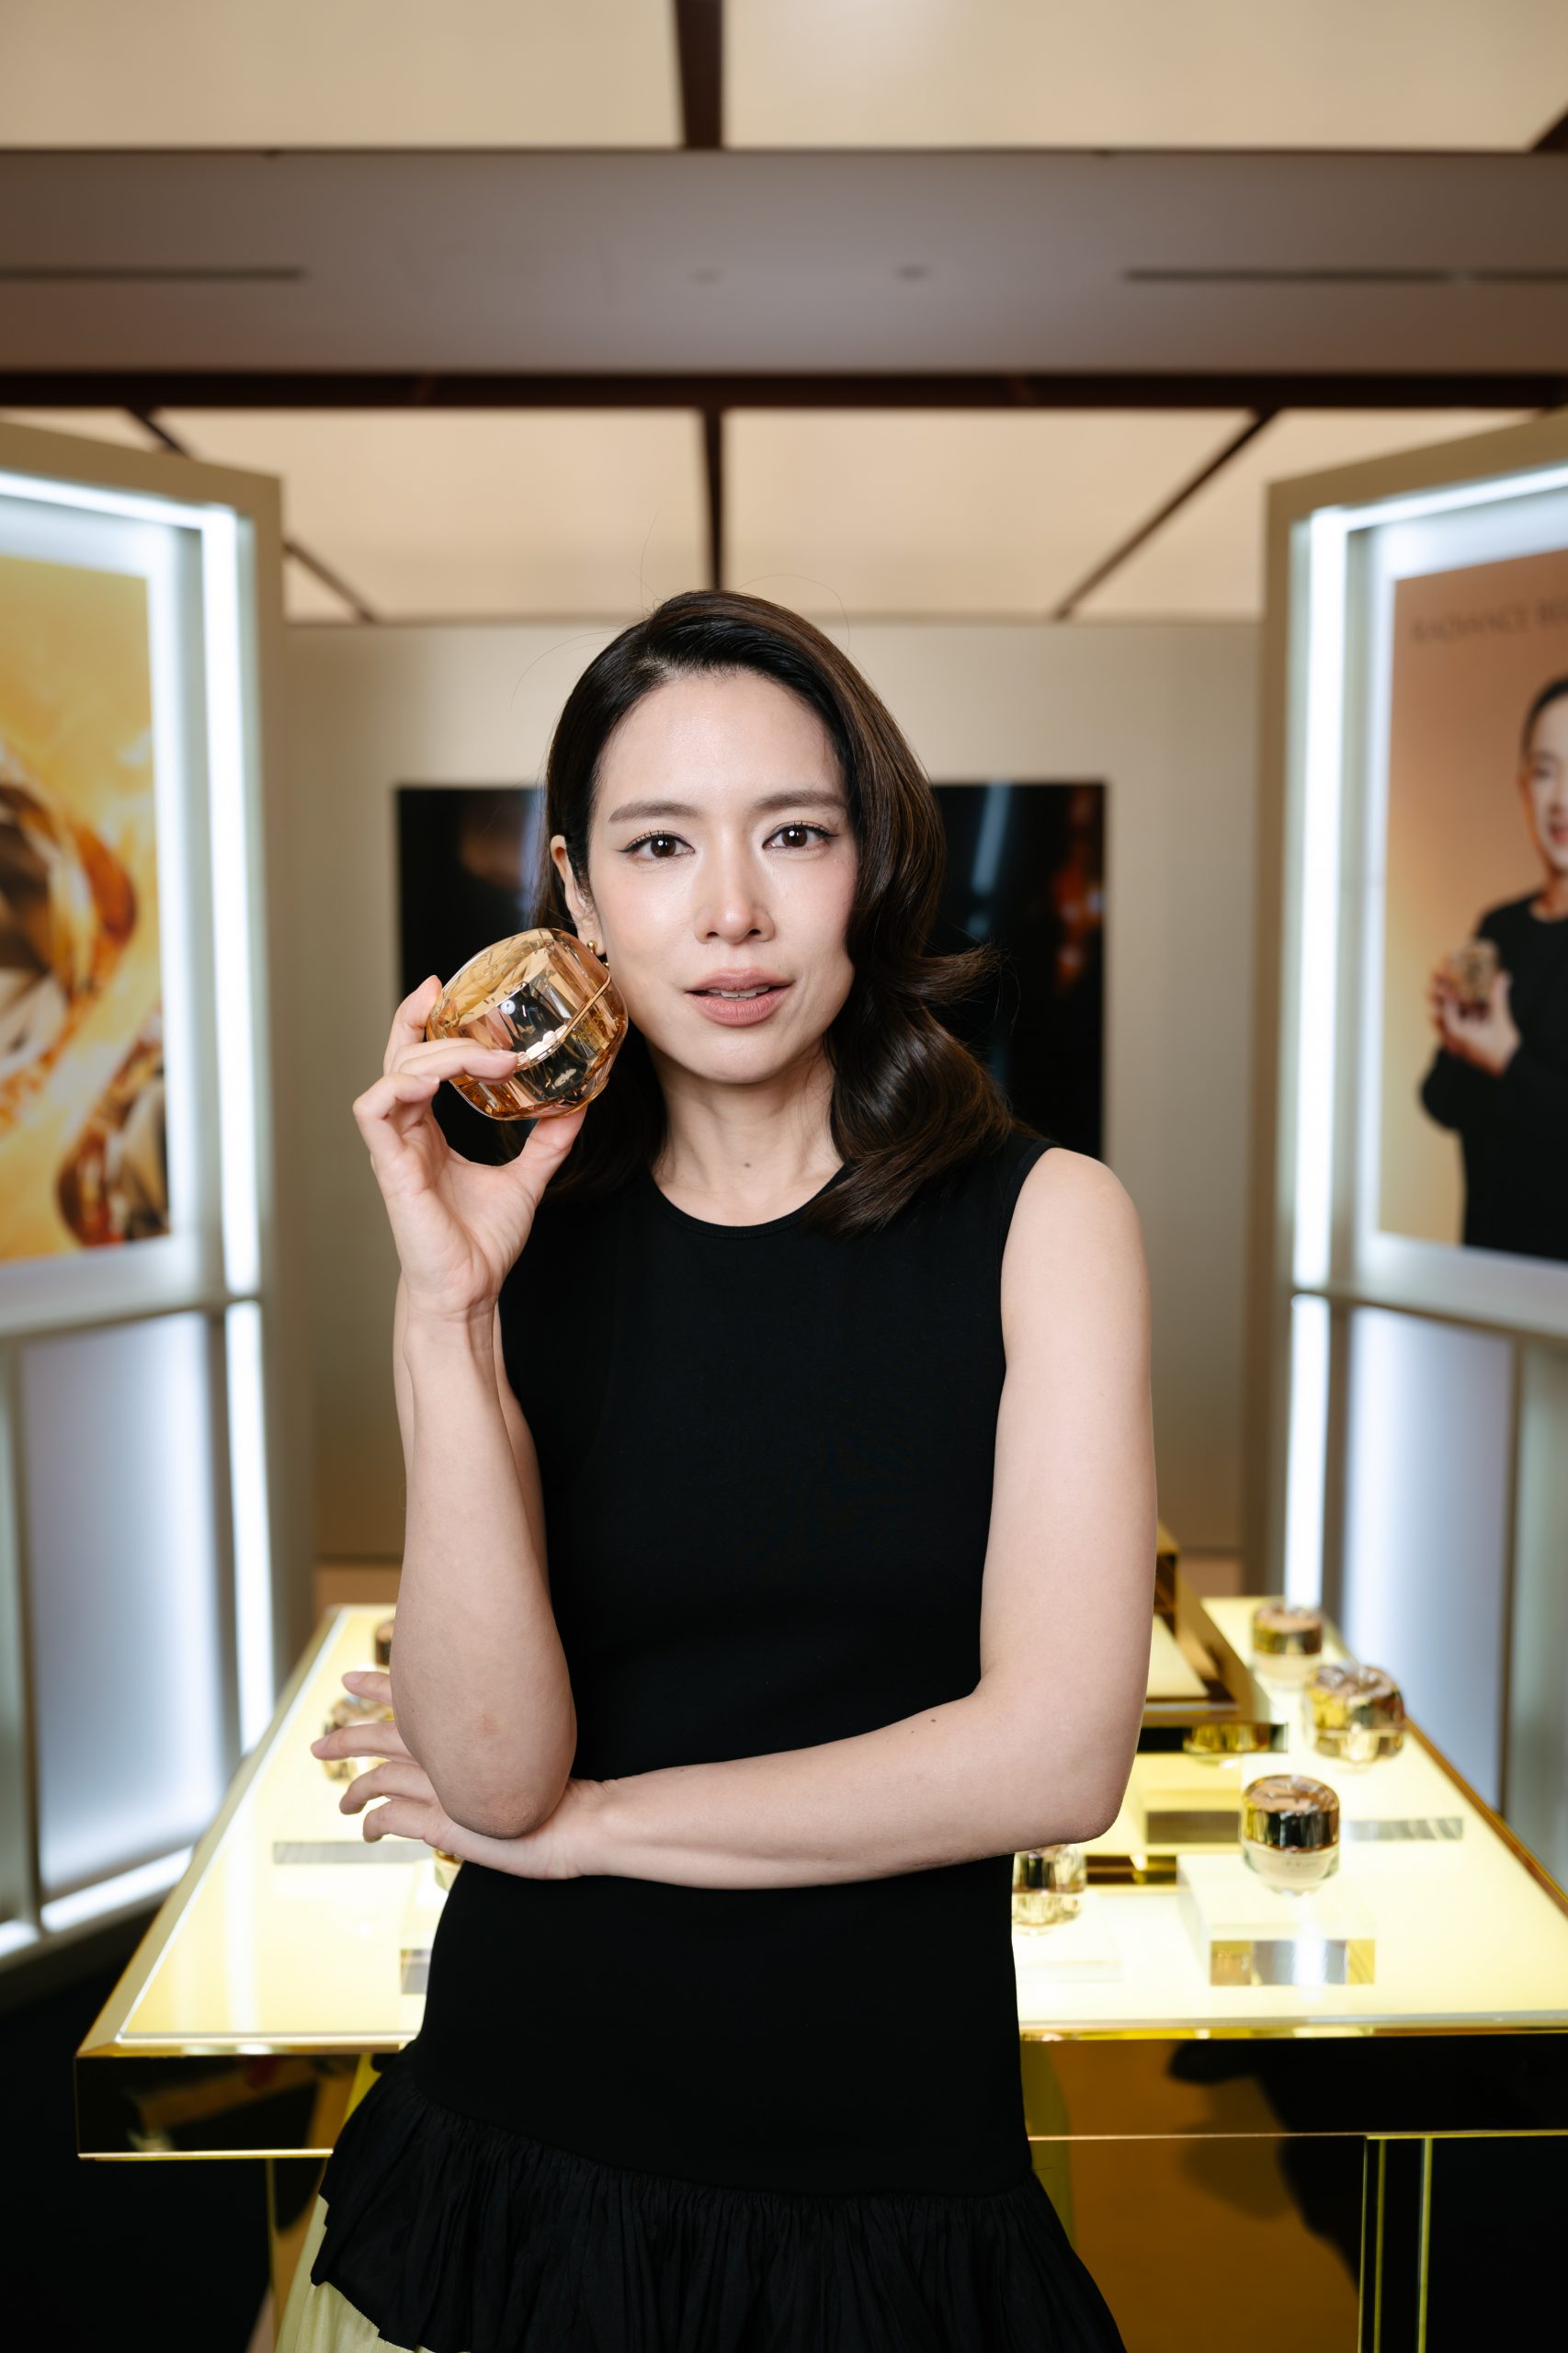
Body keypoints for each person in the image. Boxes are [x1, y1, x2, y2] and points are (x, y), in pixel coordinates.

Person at [276, 590, 1154, 2352]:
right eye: (661, 844)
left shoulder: (1044, 1222)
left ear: (870, 865)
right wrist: (448, 1310)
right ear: (578, 895)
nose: (732, 910)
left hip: (885, 2179)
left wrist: (596, 1829)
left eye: (795, 835)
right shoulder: (500, 1251)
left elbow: (1056, 1758)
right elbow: (494, 1774)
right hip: (519, 2149)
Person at [1419, 673, 1568, 1262]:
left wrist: (1506, 1059)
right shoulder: (1500, 928)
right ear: (1522, 787)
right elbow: (1440, 1102)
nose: (1561, 799)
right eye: (1545, 770)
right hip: (1482, 1277)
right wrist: (1458, 1041)